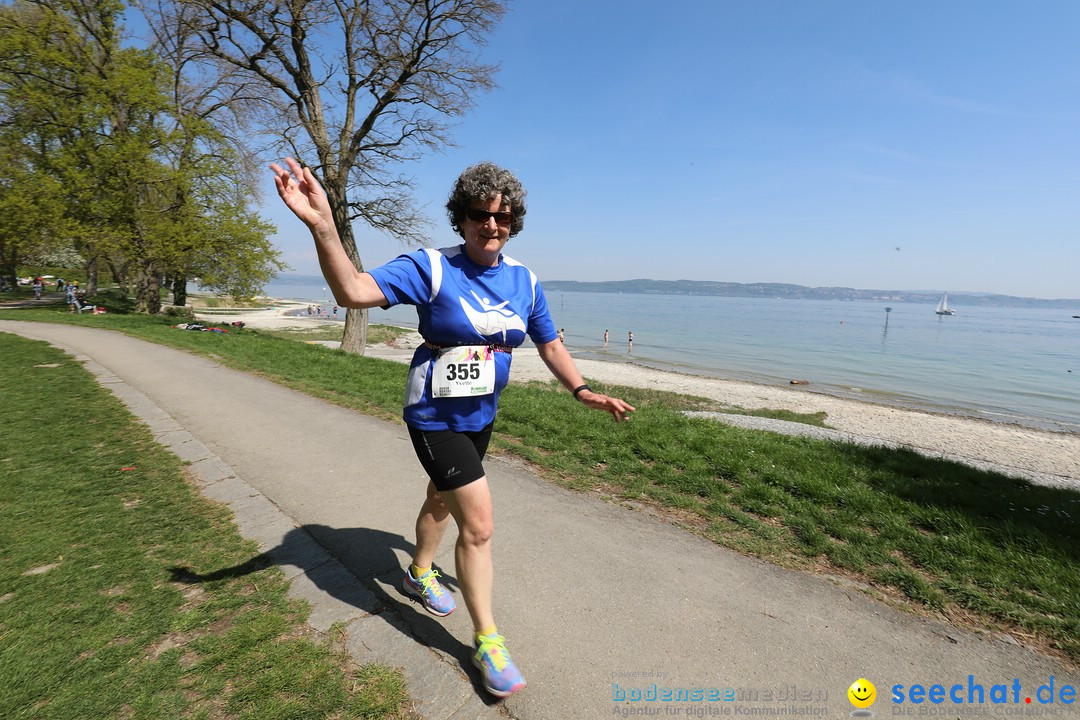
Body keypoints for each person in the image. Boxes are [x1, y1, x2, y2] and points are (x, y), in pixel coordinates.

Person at [271, 156, 635, 699]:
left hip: (480, 416)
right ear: (460, 218)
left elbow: (550, 342)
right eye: (479, 214)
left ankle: (418, 571)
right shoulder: (431, 267)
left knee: (443, 501)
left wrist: (583, 391)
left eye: (504, 217)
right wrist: (322, 223)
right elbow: (352, 291)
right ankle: (487, 641)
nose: (492, 225)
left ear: (515, 223)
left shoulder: (524, 280)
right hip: (434, 416)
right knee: (480, 525)